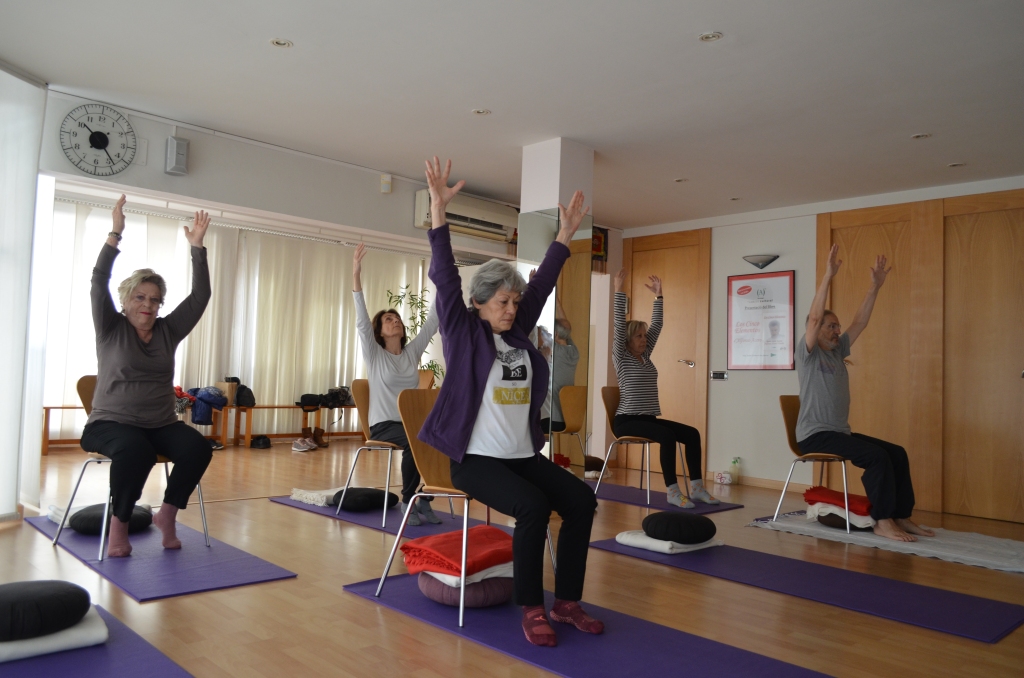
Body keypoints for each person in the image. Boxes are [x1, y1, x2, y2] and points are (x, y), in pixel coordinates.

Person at [419, 157, 601, 648]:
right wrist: (438, 210)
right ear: (479, 302)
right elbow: (444, 275)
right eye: (502, 302)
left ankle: (566, 602)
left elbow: (541, 283)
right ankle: (532, 608)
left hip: (522, 456)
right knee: (533, 506)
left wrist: (565, 234)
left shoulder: (517, 331)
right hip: (476, 460)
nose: (511, 309)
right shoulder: (463, 332)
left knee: (581, 501)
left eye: (514, 303)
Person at [80, 195, 213, 558]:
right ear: (125, 301)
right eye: (140, 297)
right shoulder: (110, 326)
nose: (147, 305)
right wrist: (115, 234)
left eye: (154, 300)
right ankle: (119, 524)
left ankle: (167, 514)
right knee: (135, 451)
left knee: (198, 447)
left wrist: (197, 248)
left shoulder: (168, 331)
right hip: (109, 423)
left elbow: (201, 296)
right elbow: (98, 281)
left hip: (160, 424)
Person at [796, 244, 933, 542]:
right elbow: (815, 318)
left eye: (837, 326)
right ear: (815, 330)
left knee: (896, 453)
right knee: (876, 457)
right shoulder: (808, 354)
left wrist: (875, 286)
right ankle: (882, 521)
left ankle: (900, 516)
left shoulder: (837, 351)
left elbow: (860, 322)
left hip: (838, 432)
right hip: (815, 435)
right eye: (832, 326)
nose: (837, 330)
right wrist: (828, 276)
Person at [610, 268, 718, 508]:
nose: (644, 339)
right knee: (667, 436)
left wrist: (659, 296)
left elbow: (657, 324)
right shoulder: (622, 356)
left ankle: (697, 488)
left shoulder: (645, 356)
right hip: (627, 420)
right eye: (638, 336)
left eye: (644, 336)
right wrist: (618, 290)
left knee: (692, 434)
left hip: (648, 418)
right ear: (628, 340)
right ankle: (672, 491)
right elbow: (618, 325)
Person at [352, 243, 441, 525]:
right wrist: (356, 275)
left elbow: (433, 321)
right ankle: (407, 501)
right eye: (388, 320)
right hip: (383, 424)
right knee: (418, 439)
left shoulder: (410, 353)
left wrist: (443, 279)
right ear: (380, 331)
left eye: (397, 318)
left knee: (443, 437)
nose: (395, 322)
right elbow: (362, 321)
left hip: (409, 423)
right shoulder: (375, 355)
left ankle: (424, 497)